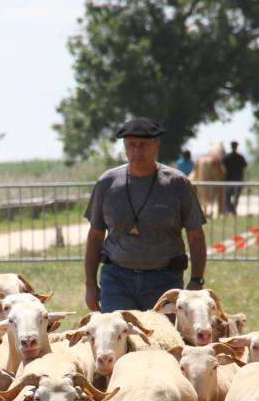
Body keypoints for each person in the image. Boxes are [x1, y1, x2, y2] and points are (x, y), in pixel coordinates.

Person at [84, 117, 207, 313]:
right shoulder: (107, 183)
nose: (137, 151)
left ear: (156, 145)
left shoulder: (177, 184)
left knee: (165, 341)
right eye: (131, 145)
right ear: (125, 147)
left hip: (165, 281)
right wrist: (90, 284)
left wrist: (196, 280)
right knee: (118, 340)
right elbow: (95, 235)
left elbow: (196, 235)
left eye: (143, 145)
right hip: (117, 280)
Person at [221, 141, 248, 215]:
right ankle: (233, 210)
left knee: (227, 198)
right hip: (238, 180)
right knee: (236, 198)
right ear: (237, 147)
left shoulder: (226, 157)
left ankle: (231, 210)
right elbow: (245, 167)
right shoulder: (241, 157)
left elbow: (222, 168)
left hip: (228, 180)